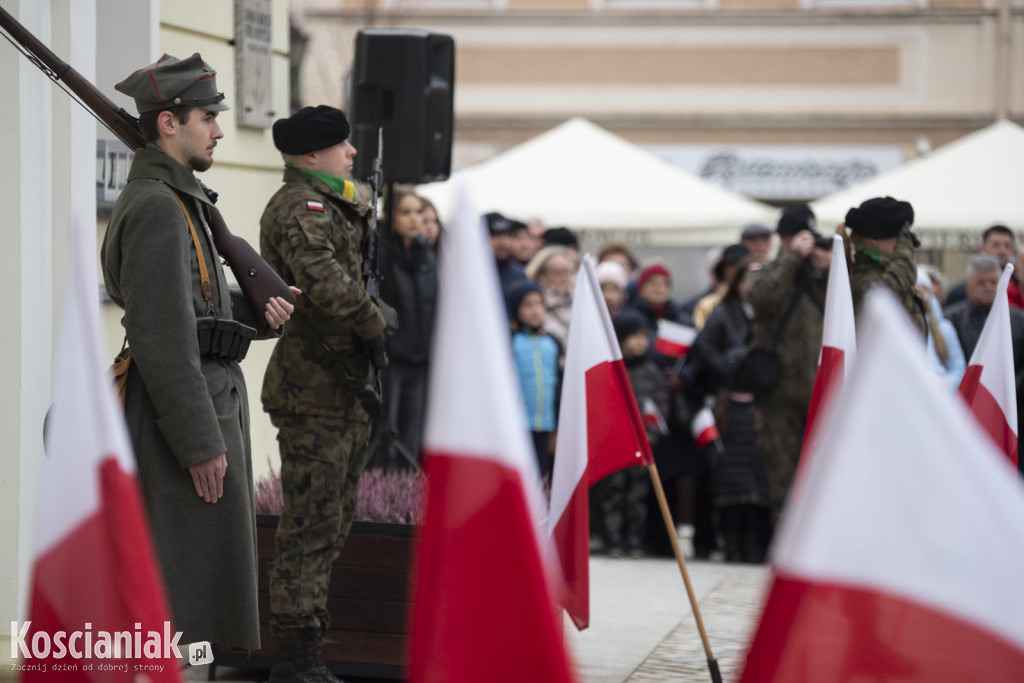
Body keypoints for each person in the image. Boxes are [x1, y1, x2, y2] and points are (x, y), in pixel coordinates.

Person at [101, 53, 296, 650]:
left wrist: (260, 310)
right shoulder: (159, 207)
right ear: (168, 123)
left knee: (194, 607)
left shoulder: (180, 200)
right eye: (207, 118)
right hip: (184, 424)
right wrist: (200, 443)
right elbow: (162, 335)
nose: (218, 130)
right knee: (175, 605)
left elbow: (195, 305)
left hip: (204, 405)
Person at [259, 104, 392, 682]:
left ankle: (309, 650)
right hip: (311, 389)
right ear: (312, 154)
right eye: (342, 144)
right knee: (308, 530)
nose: (352, 152)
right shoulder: (300, 205)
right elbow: (320, 279)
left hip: (341, 388)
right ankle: (295, 658)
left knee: (332, 526)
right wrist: (373, 321)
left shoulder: (337, 201)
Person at [746, 204, 825, 522]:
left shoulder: (820, 275)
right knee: (782, 481)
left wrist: (831, 266)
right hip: (778, 394)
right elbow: (762, 299)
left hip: (819, 393)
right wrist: (792, 259)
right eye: (798, 237)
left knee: (821, 480)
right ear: (784, 238)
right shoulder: (764, 269)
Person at [689, 258, 770, 563]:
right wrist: (732, 367)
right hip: (729, 404)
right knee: (729, 478)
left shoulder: (775, 313)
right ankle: (731, 543)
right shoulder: (722, 313)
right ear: (737, 284)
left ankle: (759, 544)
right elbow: (705, 347)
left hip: (764, 402)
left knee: (762, 477)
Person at [945, 253, 1024, 475]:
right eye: (981, 282)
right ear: (968, 285)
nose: (988, 287)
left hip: (1014, 411)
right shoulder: (950, 320)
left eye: (993, 282)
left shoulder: (1020, 320)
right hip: (967, 412)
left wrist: (1007, 389)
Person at [600, 310, 669, 558]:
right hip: (616, 443)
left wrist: (652, 434)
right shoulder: (611, 369)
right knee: (613, 492)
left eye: (644, 337)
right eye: (634, 336)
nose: (641, 342)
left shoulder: (652, 371)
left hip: (643, 443)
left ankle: (635, 541)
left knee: (637, 495)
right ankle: (613, 540)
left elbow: (661, 406)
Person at [381, 187, 438, 469]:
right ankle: (380, 490)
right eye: (406, 212)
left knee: (412, 435)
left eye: (418, 212)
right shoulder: (381, 254)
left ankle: (404, 491)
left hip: (420, 358)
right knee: (385, 433)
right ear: (389, 216)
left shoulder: (426, 254)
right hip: (390, 359)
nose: (415, 219)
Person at [845, 196, 927, 336]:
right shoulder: (863, 278)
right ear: (873, 240)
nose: (901, 243)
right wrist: (904, 253)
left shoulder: (885, 272)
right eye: (898, 237)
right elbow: (886, 296)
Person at [507, 281, 561, 480]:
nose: (535, 310)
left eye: (539, 304)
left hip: (546, 424)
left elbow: (558, 385)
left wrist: (556, 427)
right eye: (528, 305)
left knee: (540, 474)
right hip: (517, 423)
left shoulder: (552, 342)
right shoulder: (510, 340)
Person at [916, 266, 966, 390]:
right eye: (917, 290)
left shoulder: (944, 328)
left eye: (925, 290)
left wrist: (945, 384)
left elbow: (958, 369)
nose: (922, 295)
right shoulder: (899, 328)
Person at [944, 225, 1017, 308]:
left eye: (1007, 246)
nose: (1002, 251)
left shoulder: (1019, 287)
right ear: (982, 248)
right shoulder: (959, 293)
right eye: (996, 245)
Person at [526, 245, 577, 347]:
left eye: (567, 272)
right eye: (558, 273)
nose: (565, 277)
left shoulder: (578, 299)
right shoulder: (536, 301)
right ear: (542, 275)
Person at [693, 243, 750, 330]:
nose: (738, 269)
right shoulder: (707, 306)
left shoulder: (761, 301)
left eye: (743, 264)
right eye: (732, 264)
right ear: (723, 270)